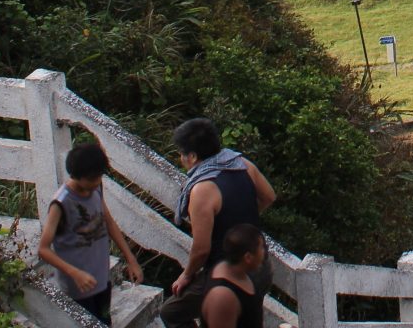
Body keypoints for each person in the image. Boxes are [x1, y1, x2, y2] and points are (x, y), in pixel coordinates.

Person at [161, 118, 276, 328]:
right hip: (261, 268)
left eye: (182, 153)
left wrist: (186, 275)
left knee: (171, 313)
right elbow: (269, 196)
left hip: (229, 275)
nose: (181, 158)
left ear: (193, 156)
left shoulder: (202, 190)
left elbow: (202, 249)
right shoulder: (242, 164)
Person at [37, 142, 142, 325]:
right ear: (76, 176)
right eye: (92, 179)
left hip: (101, 281)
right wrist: (75, 273)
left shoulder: (96, 187)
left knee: (104, 322)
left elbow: (107, 221)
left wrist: (131, 259)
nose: (97, 182)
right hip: (77, 289)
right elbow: (43, 250)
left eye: (99, 177)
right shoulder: (61, 203)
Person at [200, 225, 267, 328]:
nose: (264, 253)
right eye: (261, 247)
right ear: (248, 257)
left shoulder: (242, 273)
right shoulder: (223, 296)